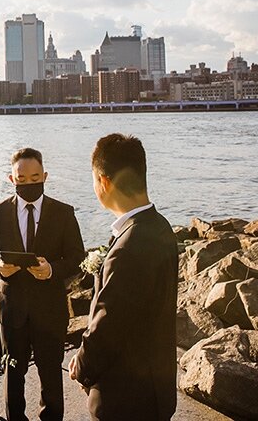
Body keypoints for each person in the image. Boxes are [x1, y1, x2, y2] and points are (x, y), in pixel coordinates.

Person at [69, 133, 178, 420]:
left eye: (94, 180)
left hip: (126, 400)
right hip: (156, 389)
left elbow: (109, 325)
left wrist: (81, 367)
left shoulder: (128, 247)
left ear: (104, 182)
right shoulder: (160, 226)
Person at [0, 148, 86, 421]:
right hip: (11, 307)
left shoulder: (63, 212)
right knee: (13, 372)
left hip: (49, 308)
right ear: (12, 179)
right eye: (22, 179)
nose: (29, 183)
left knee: (51, 373)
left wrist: (52, 269)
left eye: (35, 177)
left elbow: (76, 257)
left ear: (45, 176)